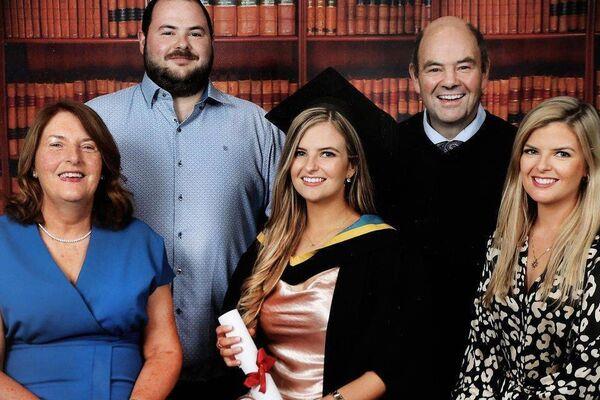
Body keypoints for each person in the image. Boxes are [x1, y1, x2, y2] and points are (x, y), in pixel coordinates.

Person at [86, 0, 284, 392]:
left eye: (195, 33)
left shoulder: (258, 127)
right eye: (167, 31)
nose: (183, 44)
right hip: (126, 371)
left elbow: (290, 233)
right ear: (141, 39)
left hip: (230, 368)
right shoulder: (96, 122)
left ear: (213, 42)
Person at [216, 68, 404, 400]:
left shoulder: (380, 249)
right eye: (300, 153)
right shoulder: (269, 245)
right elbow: (235, 335)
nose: (310, 166)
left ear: (351, 166)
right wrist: (229, 346)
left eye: (327, 154)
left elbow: (394, 363)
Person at [0, 101, 182, 400]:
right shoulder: (2, 242)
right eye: (56, 145)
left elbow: (164, 350)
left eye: (88, 147)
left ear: (103, 167)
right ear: (32, 164)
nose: (73, 158)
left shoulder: (142, 242)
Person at [383, 16, 518, 397]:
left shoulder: (521, 155)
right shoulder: (384, 151)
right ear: (414, 76)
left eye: (464, 66)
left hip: (497, 369)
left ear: (485, 71)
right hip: (401, 369)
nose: (450, 81)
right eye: (434, 68)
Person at [454, 96, 600, 398]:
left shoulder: (596, 252)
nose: (541, 166)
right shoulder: (504, 242)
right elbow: (481, 355)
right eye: (531, 151)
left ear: (587, 166)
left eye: (561, 153)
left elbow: (586, 380)